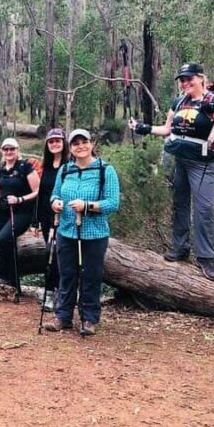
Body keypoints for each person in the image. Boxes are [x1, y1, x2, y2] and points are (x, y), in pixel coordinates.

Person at [129, 62, 214, 281]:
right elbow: (167, 129)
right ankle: (179, 248)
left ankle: (206, 258)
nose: (185, 83)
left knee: (203, 209)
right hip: (179, 159)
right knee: (180, 203)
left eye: (189, 79)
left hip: (201, 163)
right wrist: (142, 128)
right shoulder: (179, 101)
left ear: (201, 78)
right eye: (182, 80)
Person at [47, 129, 120, 336]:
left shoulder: (106, 170)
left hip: (94, 233)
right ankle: (63, 316)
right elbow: (54, 194)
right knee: (67, 274)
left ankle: (89, 318)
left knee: (91, 275)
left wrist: (88, 206)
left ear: (92, 143)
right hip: (67, 231)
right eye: (75, 143)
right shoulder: (65, 170)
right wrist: (55, 203)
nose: (80, 146)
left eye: (84, 142)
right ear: (70, 148)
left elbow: (113, 203)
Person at [0, 137, 40, 291]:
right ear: (2, 151)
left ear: (17, 150)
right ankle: (14, 283)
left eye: (12, 149)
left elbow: (38, 191)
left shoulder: (26, 166)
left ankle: (4, 276)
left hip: (22, 211)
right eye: (6, 149)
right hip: (3, 211)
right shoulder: (0, 168)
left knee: (3, 239)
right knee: (8, 244)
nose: (9, 152)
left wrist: (19, 199)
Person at [32, 128, 70, 310]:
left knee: (62, 256)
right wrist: (35, 221)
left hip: (67, 217)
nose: (55, 144)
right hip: (48, 219)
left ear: (64, 143)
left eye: (58, 141)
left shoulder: (70, 165)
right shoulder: (45, 167)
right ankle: (50, 293)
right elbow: (41, 194)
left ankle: (64, 293)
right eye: (51, 141)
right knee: (50, 253)